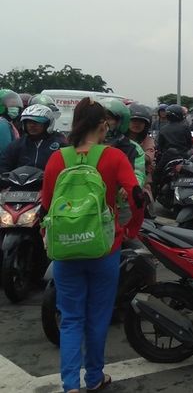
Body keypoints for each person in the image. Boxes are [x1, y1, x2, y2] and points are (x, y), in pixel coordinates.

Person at [40, 97, 144, 393]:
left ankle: (70, 385)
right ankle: (95, 377)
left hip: (65, 249)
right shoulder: (114, 158)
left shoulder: (57, 158)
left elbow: (47, 204)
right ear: (103, 125)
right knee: (98, 316)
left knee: (71, 318)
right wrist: (129, 228)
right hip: (104, 248)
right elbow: (136, 196)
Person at [0, 104, 68, 173]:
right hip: (20, 183)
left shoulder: (61, 144)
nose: (31, 126)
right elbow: (4, 166)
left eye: (37, 122)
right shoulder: (17, 145)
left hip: (49, 182)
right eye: (28, 122)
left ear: (48, 124)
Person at [127, 104, 157, 208]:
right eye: (134, 120)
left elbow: (148, 158)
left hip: (141, 184)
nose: (137, 124)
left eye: (141, 121)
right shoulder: (119, 139)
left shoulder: (148, 140)